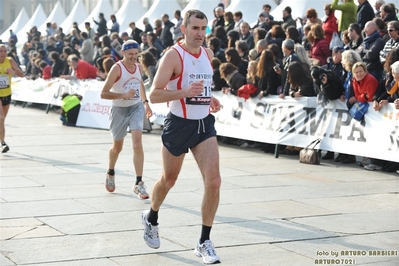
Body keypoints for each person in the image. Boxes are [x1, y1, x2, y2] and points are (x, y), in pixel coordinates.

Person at [142, 9, 222, 265]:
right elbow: (154, 94)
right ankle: (151, 217)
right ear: (184, 29)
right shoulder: (173, 57)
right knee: (169, 180)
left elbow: (203, 89)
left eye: (204, 29)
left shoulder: (208, 54)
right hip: (178, 125)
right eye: (195, 28)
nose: (200, 33)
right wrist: (184, 92)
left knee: (214, 182)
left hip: (203, 126)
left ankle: (203, 241)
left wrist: (211, 99)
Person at [100, 40, 153, 198]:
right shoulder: (117, 69)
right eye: (130, 54)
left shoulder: (138, 66)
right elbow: (103, 93)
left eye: (136, 54)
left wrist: (146, 103)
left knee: (137, 144)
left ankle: (138, 183)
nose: (134, 57)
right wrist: (123, 94)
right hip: (119, 110)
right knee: (117, 147)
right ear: (122, 53)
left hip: (136, 107)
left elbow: (140, 84)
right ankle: (110, 171)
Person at [0, 44, 24, 153]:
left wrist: (13, 72)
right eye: (1, 51)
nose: (3, 53)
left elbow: (21, 74)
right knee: (0, 118)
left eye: (5, 51)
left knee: (2, 120)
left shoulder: (10, 60)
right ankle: (3, 143)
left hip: (7, 94)